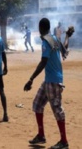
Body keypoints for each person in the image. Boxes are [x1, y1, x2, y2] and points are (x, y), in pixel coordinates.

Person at [24, 18, 74, 149]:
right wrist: (67, 36)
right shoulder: (55, 39)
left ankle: (64, 142)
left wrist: (31, 79)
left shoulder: (46, 41)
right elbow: (65, 50)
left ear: (41, 28)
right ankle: (41, 136)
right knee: (37, 104)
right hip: (49, 80)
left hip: (53, 81)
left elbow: (43, 62)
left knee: (57, 110)